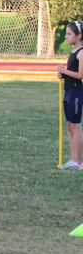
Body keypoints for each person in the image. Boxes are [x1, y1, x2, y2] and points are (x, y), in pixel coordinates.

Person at [57, 20, 83, 169]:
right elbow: (71, 74)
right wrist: (62, 75)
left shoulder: (81, 52)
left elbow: (80, 75)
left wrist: (64, 70)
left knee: (76, 126)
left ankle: (79, 161)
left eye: (69, 34)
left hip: (76, 93)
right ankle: (73, 159)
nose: (66, 37)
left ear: (79, 36)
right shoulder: (73, 51)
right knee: (70, 126)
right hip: (68, 91)